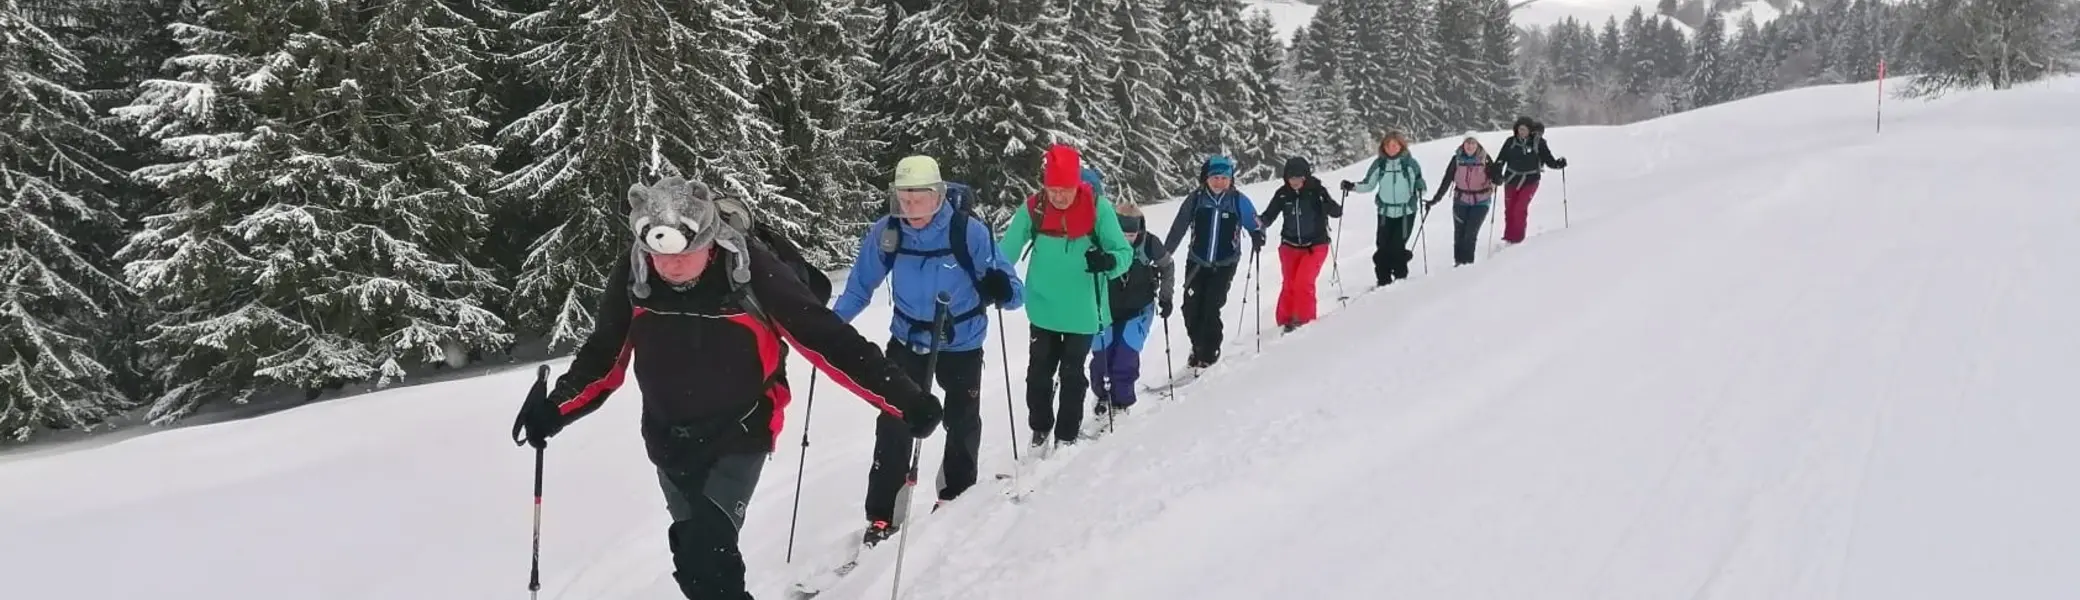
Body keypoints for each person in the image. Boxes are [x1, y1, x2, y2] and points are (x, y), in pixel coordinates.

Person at [509, 176, 944, 600]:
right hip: (666, 437)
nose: (671, 266)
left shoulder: (750, 270)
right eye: (659, 256)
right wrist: (556, 409)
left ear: (709, 241)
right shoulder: (635, 272)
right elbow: (604, 356)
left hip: (742, 428)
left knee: (706, 551)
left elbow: (829, 341)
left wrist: (903, 398)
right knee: (693, 559)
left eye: (684, 254)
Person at [831, 155, 1024, 544]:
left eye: (920, 198)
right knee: (894, 421)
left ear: (938, 195)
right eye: (904, 199)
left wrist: (1001, 290)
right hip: (906, 340)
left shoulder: (967, 232)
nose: (911, 208)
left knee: (961, 419)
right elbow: (859, 285)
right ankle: (882, 515)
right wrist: (828, 330)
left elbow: (1012, 292)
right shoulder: (888, 231)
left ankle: (956, 493)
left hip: (961, 341)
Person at [998, 144, 1133, 448]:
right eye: (1052, 189)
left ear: (1077, 184)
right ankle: (1041, 427)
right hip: (1042, 305)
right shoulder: (1035, 208)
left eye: (1065, 189)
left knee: (1072, 374)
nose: (1058, 196)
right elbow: (1006, 250)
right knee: (1038, 374)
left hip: (1084, 310)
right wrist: (994, 276)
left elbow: (1123, 252)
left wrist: (1109, 261)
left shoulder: (1098, 208)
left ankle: (1066, 435)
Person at [1161, 155, 1264, 368]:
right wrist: (1165, 254)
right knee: (1190, 308)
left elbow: (1255, 222)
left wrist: (1257, 234)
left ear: (1231, 180)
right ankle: (1198, 346)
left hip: (1225, 264)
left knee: (1210, 307)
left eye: (1224, 178)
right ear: (1206, 178)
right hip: (1197, 261)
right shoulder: (1196, 199)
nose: (1219, 182)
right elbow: (1179, 226)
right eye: (1215, 177)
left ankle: (1209, 353)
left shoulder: (1237, 200)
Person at [1089, 200, 1174, 418]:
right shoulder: (1101, 242)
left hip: (1139, 310)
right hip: (1105, 310)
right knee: (1101, 357)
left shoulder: (1150, 243)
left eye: (1132, 234)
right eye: (1123, 233)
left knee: (1125, 358)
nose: (1128, 238)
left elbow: (1167, 266)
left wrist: (1166, 297)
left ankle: (1122, 402)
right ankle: (1102, 396)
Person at [1257, 156, 1342, 332]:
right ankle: (1285, 320)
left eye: (1299, 177)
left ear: (1306, 176)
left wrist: (1327, 204)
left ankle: (1304, 322)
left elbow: (1336, 211)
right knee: (1289, 282)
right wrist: (1260, 222)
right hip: (1289, 246)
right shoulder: (1282, 193)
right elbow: (1269, 215)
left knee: (1303, 282)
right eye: (1291, 177)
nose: (1295, 181)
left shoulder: (1316, 191)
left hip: (1315, 245)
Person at [1342, 131, 1426, 286]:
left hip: (1406, 212)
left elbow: (1420, 184)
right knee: (1382, 247)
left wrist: (1420, 188)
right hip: (1385, 212)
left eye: (1395, 145)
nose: (1392, 148)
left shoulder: (1409, 164)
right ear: (1384, 147)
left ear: (1401, 146)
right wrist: (1352, 187)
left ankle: (1400, 278)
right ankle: (1383, 280)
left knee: (1396, 246)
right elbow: (1369, 184)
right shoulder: (1380, 164)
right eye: (1388, 145)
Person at [1494, 116, 1568, 245]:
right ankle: (1509, 238)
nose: (1521, 132)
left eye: (1524, 129)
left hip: (1530, 180)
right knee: (1510, 210)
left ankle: (1517, 240)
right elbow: (1501, 159)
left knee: (1520, 209)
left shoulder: (1538, 143)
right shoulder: (1510, 142)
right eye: (1519, 129)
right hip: (1511, 180)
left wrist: (1558, 164)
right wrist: (1497, 172)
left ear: (1530, 130)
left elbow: (1549, 160)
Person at [1430, 135, 1502, 266]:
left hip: (1481, 202)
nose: (1470, 146)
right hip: (1460, 201)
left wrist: (1498, 174)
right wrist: (1435, 199)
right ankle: (1458, 263)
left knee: (1470, 233)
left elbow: (1497, 180)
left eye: (1473, 143)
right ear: (1463, 144)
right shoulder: (1456, 159)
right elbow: (1447, 180)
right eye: (1467, 143)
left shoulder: (1485, 159)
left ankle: (1467, 266)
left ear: (1477, 144)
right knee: (1459, 234)